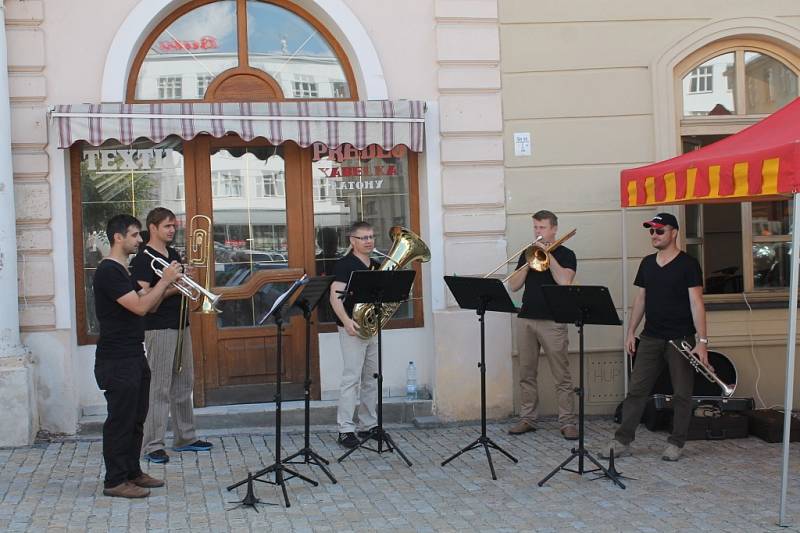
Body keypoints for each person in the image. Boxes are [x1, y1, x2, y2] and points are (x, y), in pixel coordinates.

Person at [600, 212, 708, 462]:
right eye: (651, 231)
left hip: (680, 338)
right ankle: (622, 440)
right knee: (637, 390)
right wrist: (630, 332)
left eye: (659, 231)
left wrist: (702, 342)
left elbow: (696, 303)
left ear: (673, 232)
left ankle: (676, 442)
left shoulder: (688, 264)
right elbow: (641, 299)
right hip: (650, 337)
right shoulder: (647, 263)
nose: (654, 235)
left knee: (682, 393)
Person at [93, 214, 182, 498]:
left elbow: (149, 305)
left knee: (136, 418)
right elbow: (140, 308)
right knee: (120, 420)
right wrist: (164, 279)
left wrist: (164, 286)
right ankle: (115, 481)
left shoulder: (124, 271)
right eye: (134, 235)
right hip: (116, 357)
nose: (140, 240)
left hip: (133, 352)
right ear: (118, 238)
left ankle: (132, 472)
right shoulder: (108, 271)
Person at [130, 208, 213, 464]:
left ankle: (185, 437)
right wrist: (170, 284)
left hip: (180, 325)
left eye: (174, 226)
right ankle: (152, 444)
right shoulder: (144, 259)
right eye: (167, 226)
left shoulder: (173, 254)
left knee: (183, 384)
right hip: (159, 328)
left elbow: (178, 286)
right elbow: (145, 301)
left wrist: (187, 282)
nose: (172, 230)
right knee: (159, 388)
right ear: (153, 227)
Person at [507, 210, 579, 440]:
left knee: (562, 375)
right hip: (527, 318)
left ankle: (567, 422)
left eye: (542, 228)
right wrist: (529, 261)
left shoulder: (567, 254)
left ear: (554, 229)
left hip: (553, 322)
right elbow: (514, 286)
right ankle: (528, 418)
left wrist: (549, 256)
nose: (538, 232)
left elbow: (565, 281)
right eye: (536, 228)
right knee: (526, 373)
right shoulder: (527, 254)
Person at [329, 221, 381, 448]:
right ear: (352, 241)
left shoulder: (376, 265)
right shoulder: (344, 265)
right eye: (364, 237)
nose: (369, 241)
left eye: (371, 236)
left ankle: (368, 425)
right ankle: (345, 430)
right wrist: (347, 322)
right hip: (352, 327)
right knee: (351, 379)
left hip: (372, 327)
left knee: (371, 378)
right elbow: (335, 297)